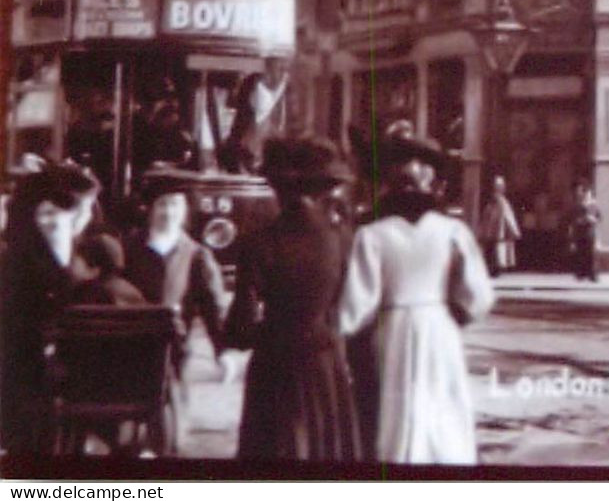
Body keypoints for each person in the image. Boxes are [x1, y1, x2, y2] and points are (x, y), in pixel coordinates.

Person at [340, 124, 494, 464]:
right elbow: (478, 296)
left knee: (396, 407)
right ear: (432, 181)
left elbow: (357, 306)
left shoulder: (372, 234)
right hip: (439, 326)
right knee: (442, 402)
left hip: (391, 327)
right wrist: (453, 312)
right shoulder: (453, 230)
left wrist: (347, 331)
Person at [226, 138, 362, 462]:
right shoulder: (342, 240)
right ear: (323, 190)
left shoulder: (258, 243)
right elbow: (349, 308)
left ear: (278, 189)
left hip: (275, 363)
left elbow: (240, 327)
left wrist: (250, 334)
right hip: (324, 363)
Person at [124, 176, 229, 455]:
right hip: (130, 341)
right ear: (149, 209)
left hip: (174, 345)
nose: (168, 212)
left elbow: (213, 306)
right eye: (162, 205)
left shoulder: (196, 255)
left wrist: (223, 351)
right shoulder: (130, 248)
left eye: (175, 205)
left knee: (169, 419)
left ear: (184, 212)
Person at [0, 163, 99, 453]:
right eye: (83, 210)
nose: (87, 217)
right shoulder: (22, 265)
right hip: (30, 387)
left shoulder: (78, 254)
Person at [68, 234, 146, 306]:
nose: (69, 266)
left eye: (73, 260)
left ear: (94, 271)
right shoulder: (128, 291)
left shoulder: (92, 295)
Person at [478, 175, 522, 277]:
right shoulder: (494, 201)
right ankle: (492, 268)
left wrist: (512, 229)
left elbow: (507, 216)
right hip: (492, 230)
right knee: (492, 249)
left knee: (496, 249)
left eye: (499, 186)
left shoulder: (501, 201)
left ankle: (495, 269)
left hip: (498, 230)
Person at [569, 179, 600, 282]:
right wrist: (580, 221)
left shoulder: (594, 206)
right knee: (581, 254)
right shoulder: (578, 206)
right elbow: (573, 220)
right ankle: (581, 274)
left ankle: (593, 275)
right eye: (585, 195)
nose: (586, 197)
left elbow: (599, 218)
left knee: (591, 254)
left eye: (588, 195)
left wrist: (593, 219)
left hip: (590, 232)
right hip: (580, 233)